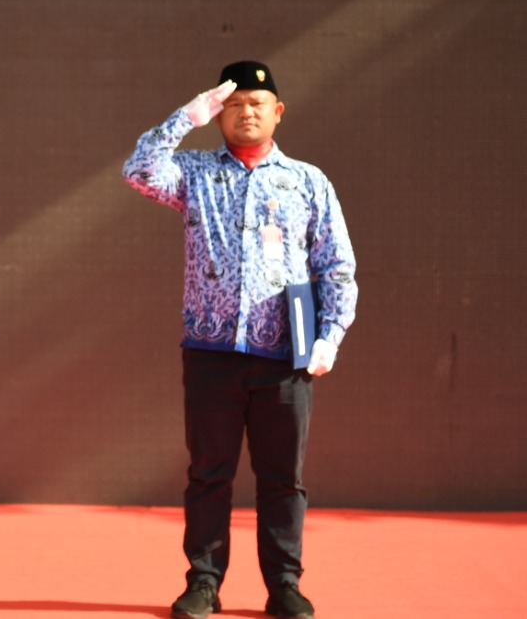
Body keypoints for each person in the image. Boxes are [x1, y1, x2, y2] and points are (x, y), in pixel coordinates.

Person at [122, 61, 357, 619]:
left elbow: (336, 267)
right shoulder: (196, 173)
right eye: (233, 104)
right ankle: (203, 583)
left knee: (283, 479)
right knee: (209, 475)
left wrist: (331, 336)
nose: (246, 112)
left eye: (257, 102)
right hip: (211, 354)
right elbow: (137, 170)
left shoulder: (306, 181)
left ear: (277, 112)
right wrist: (186, 117)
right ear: (220, 114)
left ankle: (284, 585)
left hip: (285, 356)